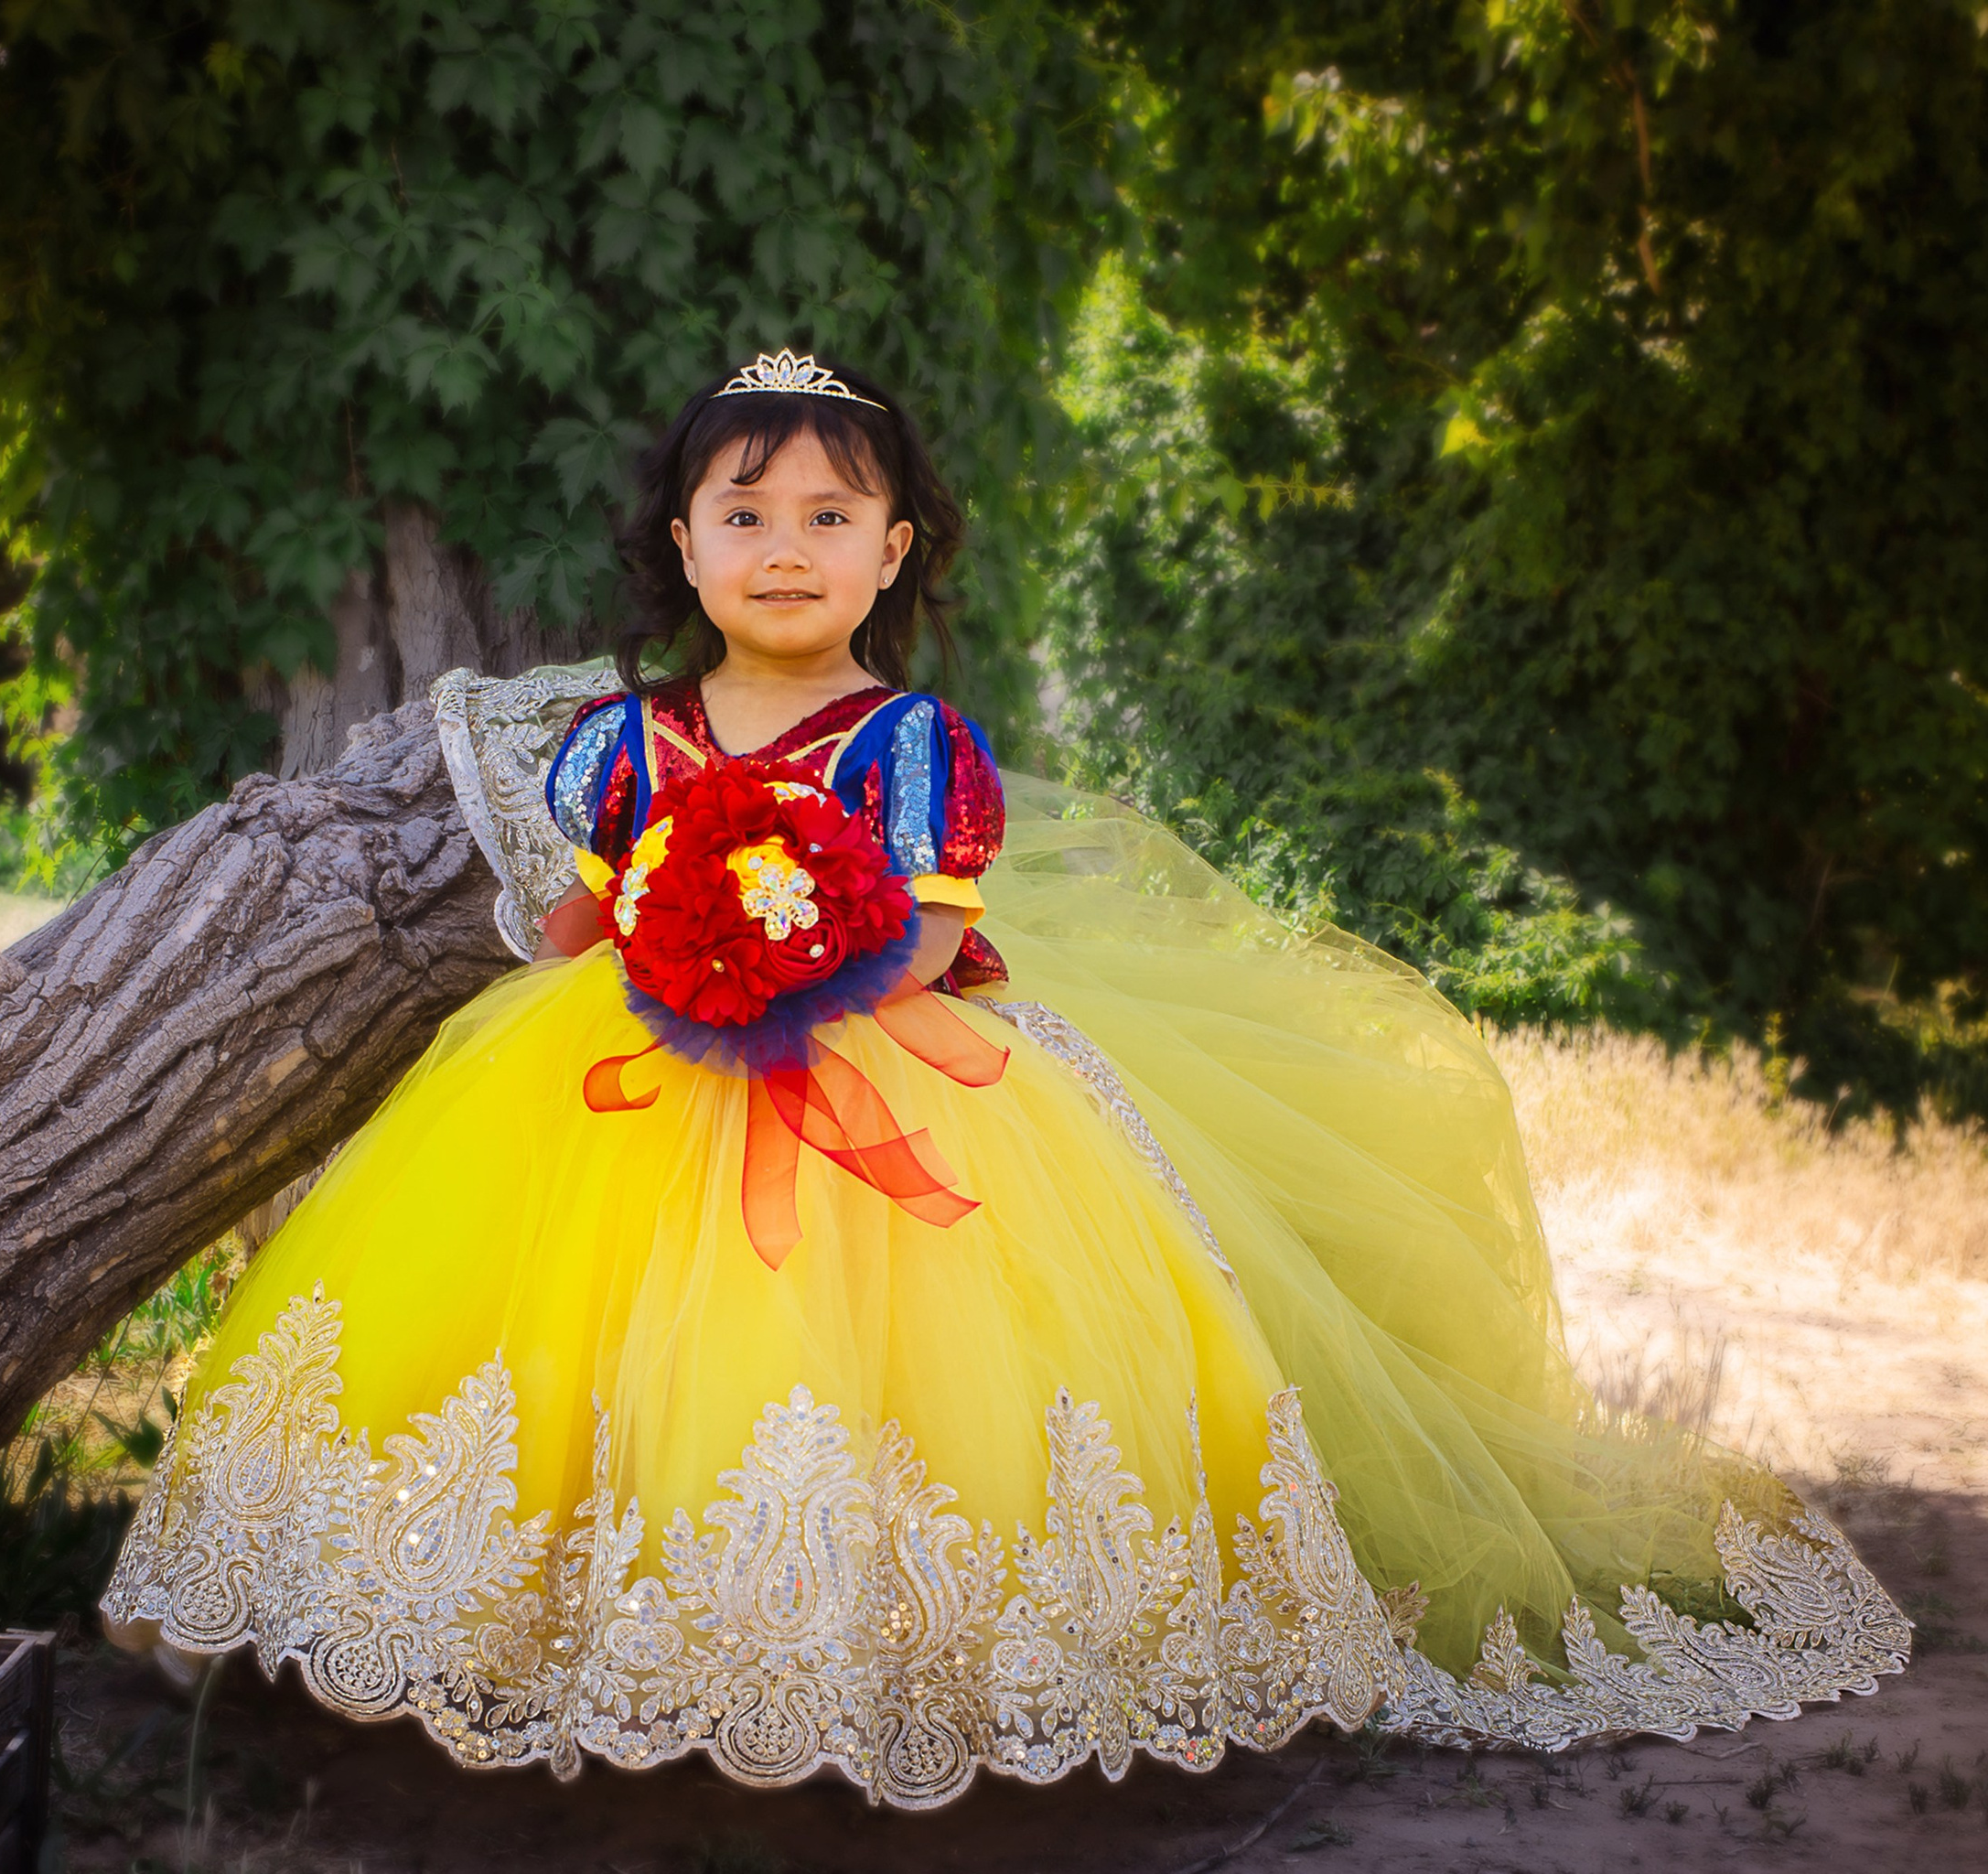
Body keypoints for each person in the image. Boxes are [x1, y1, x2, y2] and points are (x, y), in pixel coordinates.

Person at [104, 350, 1907, 1807]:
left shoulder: (907, 744)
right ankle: (568, 1641)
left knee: (889, 1371)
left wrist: (804, 974)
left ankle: (897, 1663)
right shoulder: (627, 740)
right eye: (746, 513)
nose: (786, 544)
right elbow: (579, 919)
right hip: (630, 1067)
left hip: (891, 1065)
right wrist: (635, 968)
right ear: (682, 545)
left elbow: (926, 935)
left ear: (892, 552)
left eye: (831, 510)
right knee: (585, 1358)